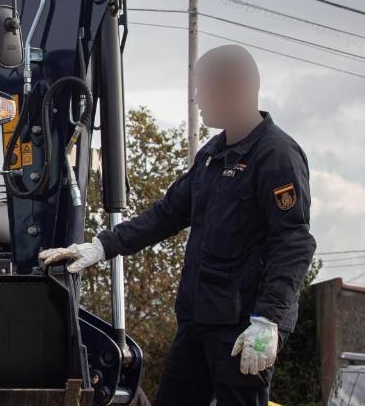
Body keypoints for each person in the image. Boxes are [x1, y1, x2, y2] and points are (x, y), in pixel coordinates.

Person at [40, 45, 315, 405]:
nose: (197, 98)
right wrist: (100, 247)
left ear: (234, 89)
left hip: (243, 330)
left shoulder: (276, 156)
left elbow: (293, 242)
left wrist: (268, 321)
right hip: (199, 321)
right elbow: (166, 214)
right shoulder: (212, 156)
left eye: (203, 88)